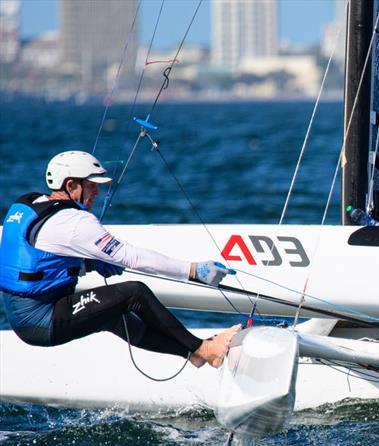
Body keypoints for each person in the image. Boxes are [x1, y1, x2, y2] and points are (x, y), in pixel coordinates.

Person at [0, 150, 241, 368]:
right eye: (92, 185)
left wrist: (88, 263)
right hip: (41, 318)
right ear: (71, 185)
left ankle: (192, 354)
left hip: (20, 313)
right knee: (134, 293)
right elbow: (132, 257)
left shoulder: (29, 203)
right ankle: (205, 349)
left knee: (115, 316)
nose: (97, 191)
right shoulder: (74, 222)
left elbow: (40, 256)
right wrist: (193, 270)